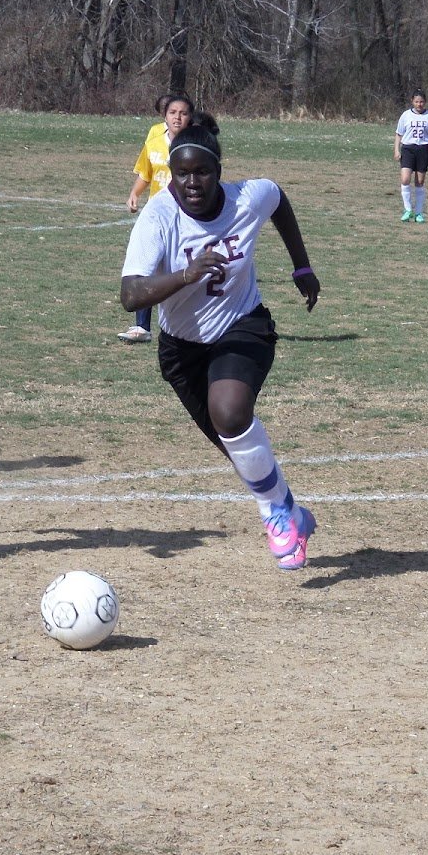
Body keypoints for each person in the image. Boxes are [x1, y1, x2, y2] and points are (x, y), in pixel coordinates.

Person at [119, 118, 322, 570]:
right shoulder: (159, 216)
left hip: (242, 325)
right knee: (237, 447)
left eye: (202, 173)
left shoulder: (248, 197)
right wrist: (184, 275)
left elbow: (279, 201)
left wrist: (302, 267)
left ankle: (274, 515)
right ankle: (291, 511)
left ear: (218, 171)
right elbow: (130, 294)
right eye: (182, 174)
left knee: (230, 414)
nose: (192, 183)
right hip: (180, 348)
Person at [119, 93, 197, 344]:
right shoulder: (154, 144)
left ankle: (192, 326)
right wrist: (134, 193)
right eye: (173, 113)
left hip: (187, 219)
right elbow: (145, 173)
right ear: (165, 116)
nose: (177, 117)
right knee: (146, 269)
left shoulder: (195, 146)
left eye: (183, 113)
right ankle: (141, 327)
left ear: (190, 117)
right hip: (157, 219)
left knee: (183, 272)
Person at [394, 90, 428, 223]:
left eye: (421, 101)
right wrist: (396, 150)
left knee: (419, 182)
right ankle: (408, 209)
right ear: (412, 101)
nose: (419, 104)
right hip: (408, 149)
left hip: (423, 149)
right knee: (405, 179)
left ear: (425, 102)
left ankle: (418, 213)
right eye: (416, 101)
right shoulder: (405, 115)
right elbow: (399, 134)